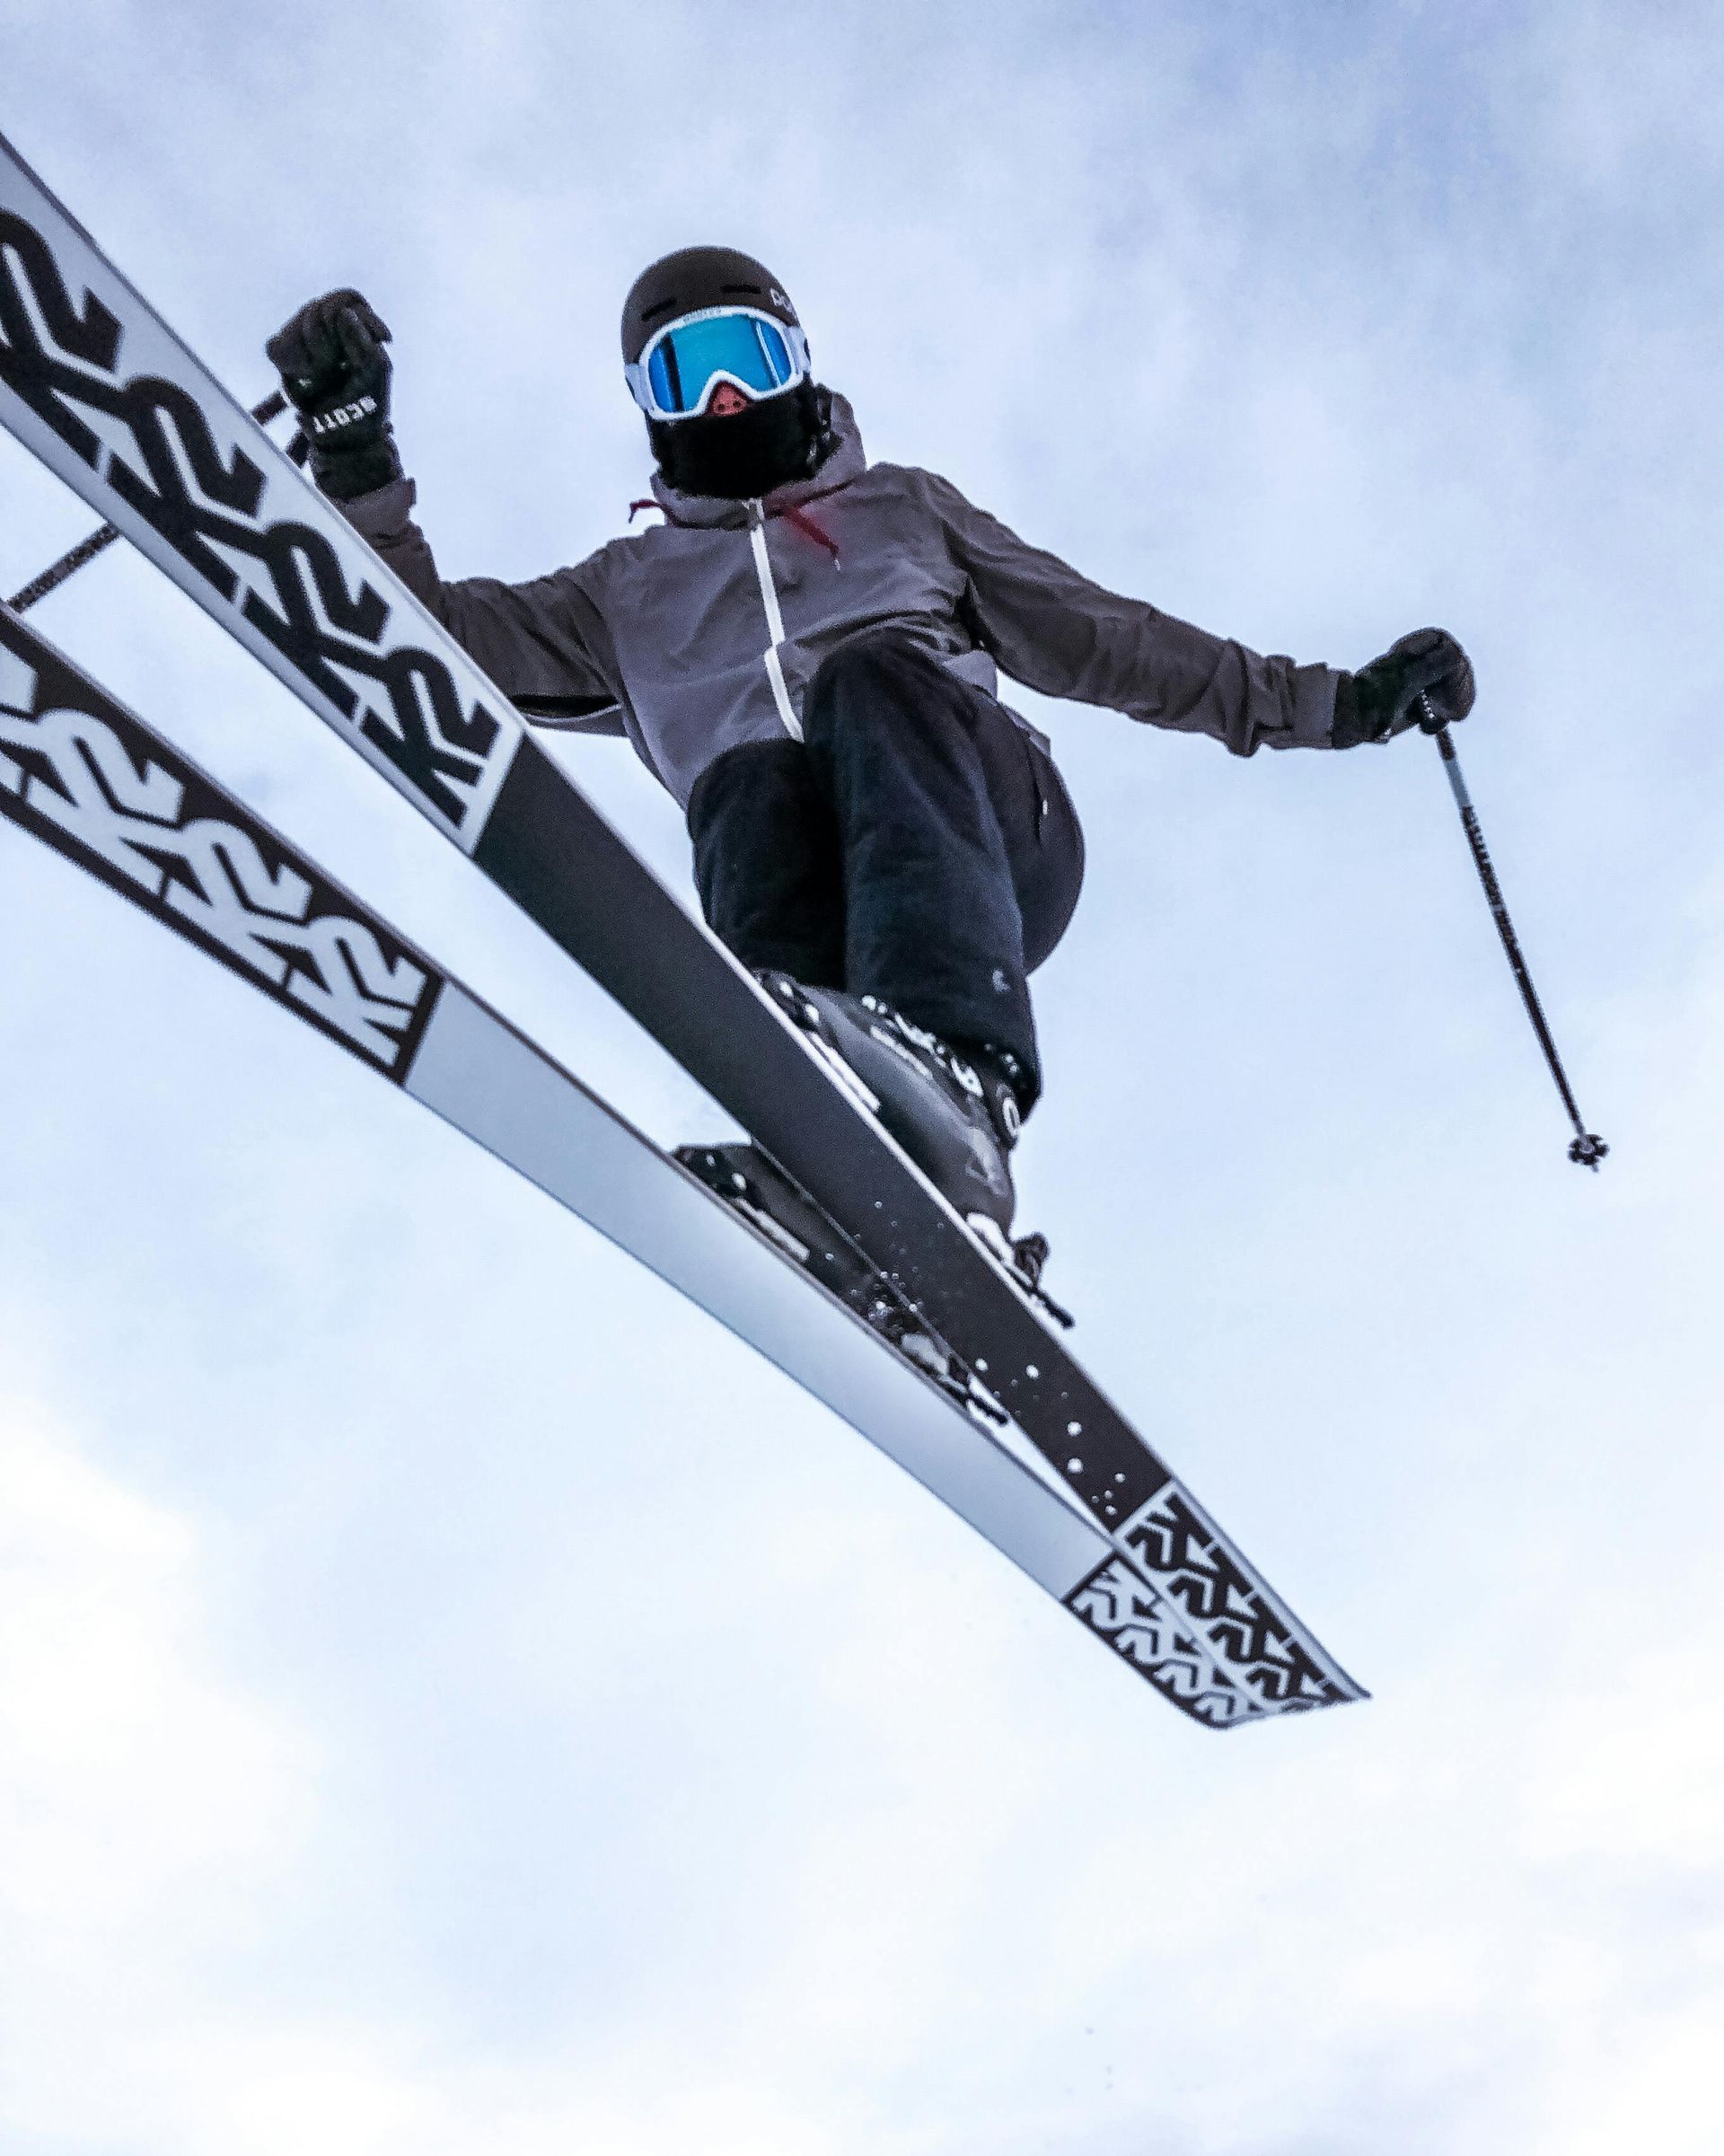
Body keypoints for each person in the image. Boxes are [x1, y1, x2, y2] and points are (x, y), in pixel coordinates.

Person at [266, 250, 1473, 1244]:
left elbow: (1116, 641)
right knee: (740, 780)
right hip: (827, 916)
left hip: (989, 842)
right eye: (691, 373)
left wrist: (1342, 704)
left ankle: (961, 1083)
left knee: (867, 679)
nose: (728, 399)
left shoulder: (907, 510)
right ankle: (818, 1146)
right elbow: (411, 645)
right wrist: (354, 455)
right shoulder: (620, 594)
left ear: (800, 366)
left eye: (750, 359)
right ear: (651, 405)